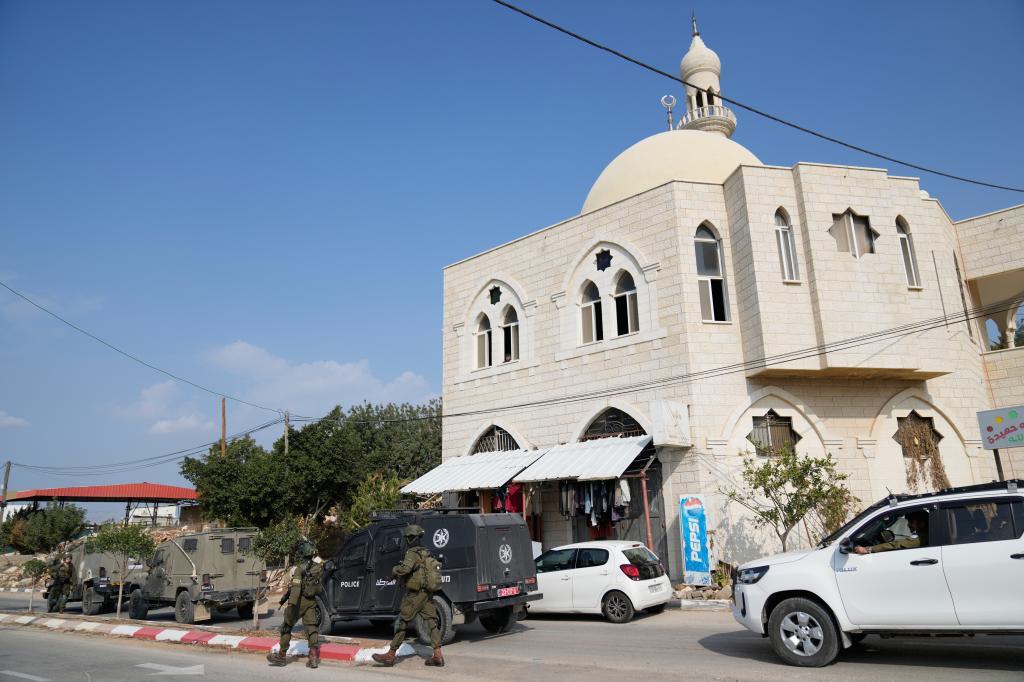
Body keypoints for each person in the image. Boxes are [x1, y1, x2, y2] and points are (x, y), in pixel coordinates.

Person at [372, 524, 444, 668]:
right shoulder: (426, 551)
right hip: (426, 594)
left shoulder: (411, 552)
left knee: (402, 623)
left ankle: (390, 655)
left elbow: (405, 569)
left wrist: (394, 571)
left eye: (407, 537)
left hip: (414, 595)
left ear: (410, 538)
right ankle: (438, 655)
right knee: (431, 623)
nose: (406, 540)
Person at [266, 540, 324, 669]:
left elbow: (296, 588)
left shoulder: (299, 569)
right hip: (311, 600)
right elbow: (322, 562)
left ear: (302, 554)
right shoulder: (318, 566)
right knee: (311, 628)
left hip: (299, 602)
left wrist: (291, 604)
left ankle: (281, 656)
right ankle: (313, 658)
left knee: (286, 627)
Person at [854, 511, 927, 554]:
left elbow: (897, 545)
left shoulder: (922, 538)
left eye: (911, 522)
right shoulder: (928, 534)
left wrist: (867, 549)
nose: (908, 525)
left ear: (922, 523)